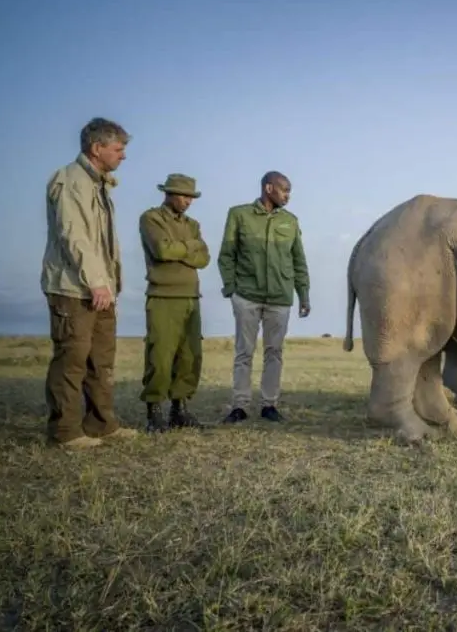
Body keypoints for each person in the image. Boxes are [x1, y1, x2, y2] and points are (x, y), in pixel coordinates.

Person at [40, 118, 139, 448]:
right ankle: (65, 431)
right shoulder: (71, 181)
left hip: (100, 289)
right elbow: (75, 236)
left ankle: (101, 424)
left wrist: (108, 284)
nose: (123, 156)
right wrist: (97, 282)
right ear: (97, 148)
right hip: (74, 288)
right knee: (72, 359)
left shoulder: (99, 183)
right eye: (118, 149)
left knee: (101, 360)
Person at [217, 171, 310, 424]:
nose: (288, 196)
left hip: (280, 298)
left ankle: (269, 405)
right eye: (284, 190)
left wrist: (304, 295)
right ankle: (240, 406)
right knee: (243, 352)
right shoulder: (239, 215)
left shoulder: (290, 221)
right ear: (269, 188)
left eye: (289, 191)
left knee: (274, 353)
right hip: (247, 296)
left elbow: (299, 261)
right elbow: (226, 255)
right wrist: (231, 289)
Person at [137, 174, 211, 433]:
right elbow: (161, 250)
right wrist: (190, 248)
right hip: (162, 296)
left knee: (190, 355)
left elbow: (204, 258)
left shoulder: (193, 224)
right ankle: (154, 410)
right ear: (168, 193)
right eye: (183, 195)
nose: (188, 201)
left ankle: (180, 409)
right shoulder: (151, 218)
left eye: (191, 197)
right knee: (160, 355)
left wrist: (181, 248)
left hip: (191, 295)